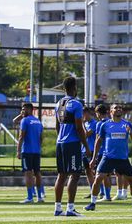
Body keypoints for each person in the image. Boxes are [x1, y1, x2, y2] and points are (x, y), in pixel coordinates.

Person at [84, 104, 132, 211]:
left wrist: (130, 132)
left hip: (122, 158)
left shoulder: (127, 124)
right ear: (110, 112)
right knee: (98, 178)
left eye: (120, 108)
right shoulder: (104, 125)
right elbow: (98, 141)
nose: (118, 109)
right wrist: (93, 158)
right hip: (108, 157)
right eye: (115, 108)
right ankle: (92, 203)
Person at [54, 76, 92, 217]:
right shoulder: (76, 104)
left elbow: (57, 126)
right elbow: (79, 128)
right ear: (75, 87)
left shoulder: (58, 103)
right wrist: (86, 147)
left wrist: (61, 138)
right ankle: (70, 208)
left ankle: (58, 208)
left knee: (61, 175)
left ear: (64, 88)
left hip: (60, 143)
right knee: (75, 174)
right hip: (72, 144)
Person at [16, 102, 45, 203]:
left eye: (24, 109)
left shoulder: (25, 120)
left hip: (27, 151)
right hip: (36, 151)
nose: (23, 111)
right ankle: (40, 197)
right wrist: (37, 147)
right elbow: (41, 138)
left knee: (28, 173)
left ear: (29, 109)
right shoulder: (38, 121)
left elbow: (21, 136)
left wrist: (18, 150)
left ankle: (30, 197)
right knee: (37, 173)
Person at [82, 106, 98, 198]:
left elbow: (86, 134)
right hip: (84, 150)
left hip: (91, 150)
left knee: (94, 171)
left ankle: (100, 191)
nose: (82, 116)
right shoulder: (86, 123)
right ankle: (92, 190)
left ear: (87, 113)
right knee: (87, 171)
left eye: (83, 113)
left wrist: (82, 125)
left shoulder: (94, 123)